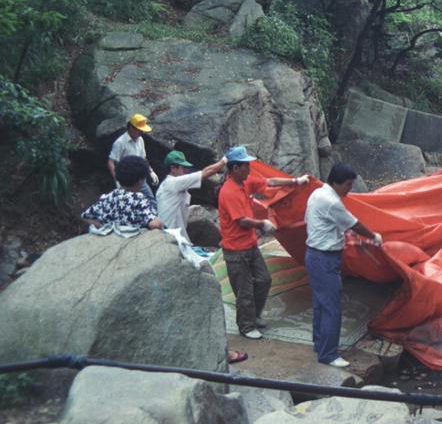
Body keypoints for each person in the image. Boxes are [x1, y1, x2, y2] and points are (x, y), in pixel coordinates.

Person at [217, 145, 311, 340]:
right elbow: (241, 220)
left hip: (250, 245)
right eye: (245, 166)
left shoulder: (245, 181)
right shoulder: (229, 192)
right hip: (236, 250)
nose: (249, 168)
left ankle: (255, 315)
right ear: (235, 168)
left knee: (264, 280)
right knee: (244, 291)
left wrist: (295, 181)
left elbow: (270, 182)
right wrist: (262, 224)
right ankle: (246, 326)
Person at [305, 163, 383, 368]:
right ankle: (328, 354)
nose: (349, 189)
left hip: (315, 255)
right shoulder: (332, 202)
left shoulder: (317, 194)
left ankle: (320, 343)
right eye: (348, 185)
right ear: (336, 183)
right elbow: (355, 224)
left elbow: (327, 224)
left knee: (321, 304)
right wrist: (373, 236)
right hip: (324, 258)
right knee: (332, 307)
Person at [156, 150, 228, 241]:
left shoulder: (166, 185)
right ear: (173, 168)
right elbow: (205, 173)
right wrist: (225, 160)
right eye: (183, 167)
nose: (187, 170)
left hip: (171, 233)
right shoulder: (173, 182)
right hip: (171, 237)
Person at [82, 155, 163, 230]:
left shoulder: (110, 196)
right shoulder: (139, 199)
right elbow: (153, 224)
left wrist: (105, 228)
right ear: (140, 181)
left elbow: (86, 216)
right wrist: (160, 222)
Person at [107, 113, 158, 200]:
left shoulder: (140, 140)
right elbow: (111, 162)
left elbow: (143, 158)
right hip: (127, 181)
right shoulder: (120, 142)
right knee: (129, 202)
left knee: (150, 200)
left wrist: (151, 171)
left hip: (140, 179)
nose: (141, 132)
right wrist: (117, 180)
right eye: (139, 130)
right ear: (131, 128)